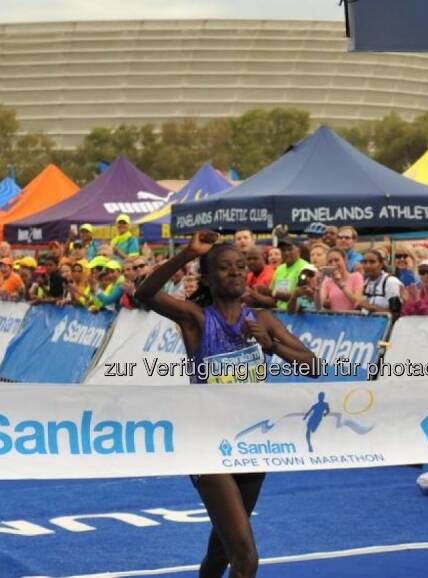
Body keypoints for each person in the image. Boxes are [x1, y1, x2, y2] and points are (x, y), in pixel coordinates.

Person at [134, 230, 316, 578]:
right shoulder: (196, 319)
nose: (235, 272)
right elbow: (144, 293)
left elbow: (314, 366)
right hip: (208, 445)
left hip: (252, 444)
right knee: (246, 559)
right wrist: (187, 253)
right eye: (224, 267)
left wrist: (272, 346)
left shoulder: (262, 320)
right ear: (208, 277)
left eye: (241, 266)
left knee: (221, 553)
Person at [267, 239, 308, 311]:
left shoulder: (305, 268)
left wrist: (274, 293)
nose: (286, 253)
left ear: (298, 250)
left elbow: (302, 299)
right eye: (283, 250)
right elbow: (272, 295)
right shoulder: (279, 269)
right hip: (278, 313)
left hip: (297, 315)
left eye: (290, 249)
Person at [358, 249, 403, 315]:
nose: (367, 266)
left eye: (372, 262)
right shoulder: (365, 283)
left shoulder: (391, 282)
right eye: (364, 262)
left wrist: (373, 308)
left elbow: (396, 314)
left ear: (381, 264)